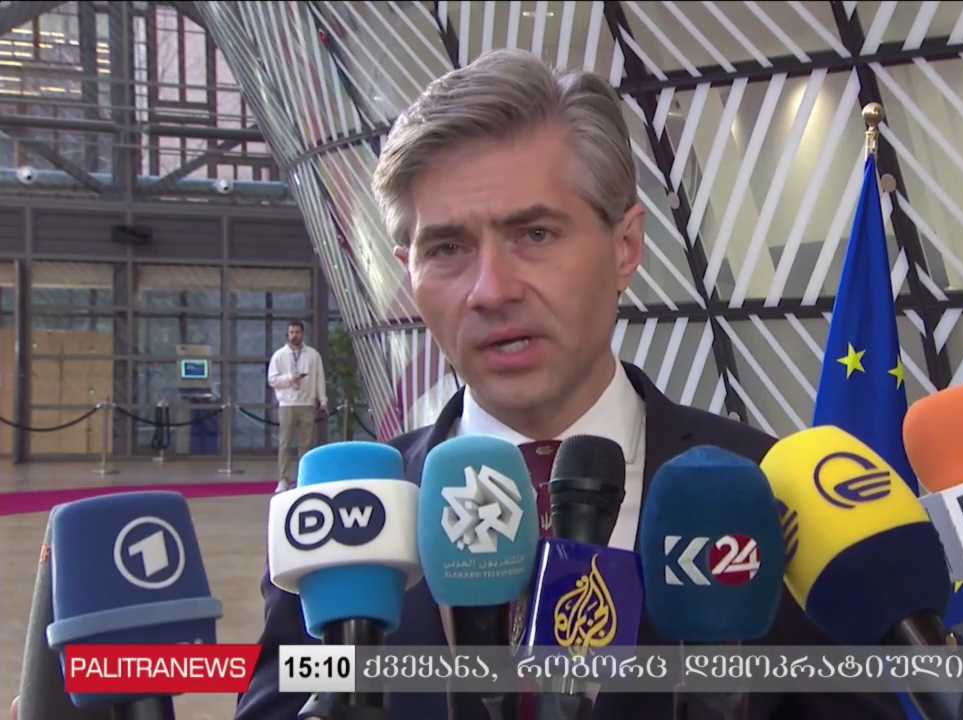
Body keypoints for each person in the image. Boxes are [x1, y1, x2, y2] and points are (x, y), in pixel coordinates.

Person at [236, 49, 903, 719]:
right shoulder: (342, 523)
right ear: (408, 272)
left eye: (534, 234)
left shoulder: (771, 499)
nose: (491, 291)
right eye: (447, 249)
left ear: (625, 246)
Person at [267, 320, 327, 492]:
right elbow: (272, 380)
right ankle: (283, 479)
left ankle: (303, 478)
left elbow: (319, 378)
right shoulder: (279, 355)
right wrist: (289, 378)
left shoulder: (313, 355)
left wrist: (323, 400)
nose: (294, 335)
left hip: (307, 403)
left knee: (306, 445)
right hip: (287, 404)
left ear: (302, 334)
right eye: (292, 332)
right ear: (288, 335)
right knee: (285, 443)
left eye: (297, 332)